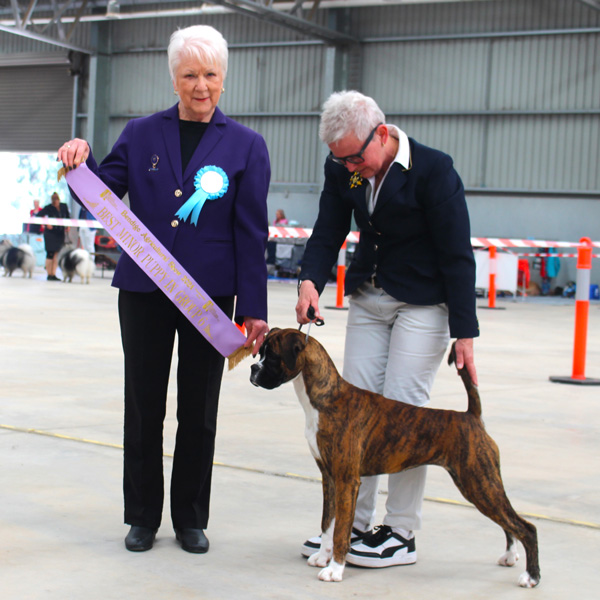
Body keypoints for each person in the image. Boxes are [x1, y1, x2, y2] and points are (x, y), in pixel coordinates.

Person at [57, 25, 270, 554]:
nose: (201, 86)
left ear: (224, 78)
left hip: (211, 299)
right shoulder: (140, 132)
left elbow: (251, 231)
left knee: (199, 410)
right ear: (173, 78)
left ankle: (191, 518)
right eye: (190, 75)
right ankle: (142, 516)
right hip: (144, 292)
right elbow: (100, 194)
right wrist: (78, 156)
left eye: (211, 74)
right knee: (143, 404)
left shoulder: (247, 145)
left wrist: (255, 308)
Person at [295, 91, 479, 568]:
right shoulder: (344, 166)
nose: (350, 166)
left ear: (382, 132)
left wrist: (465, 332)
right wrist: (310, 280)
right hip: (369, 299)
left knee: (405, 414)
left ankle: (400, 532)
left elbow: (458, 253)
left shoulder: (434, 171)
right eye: (340, 160)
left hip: (423, 304)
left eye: (356, 156)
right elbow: (327, 228)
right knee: (350, 412)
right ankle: (351, 525)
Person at [38, 192, 70, 280]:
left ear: (59, 200)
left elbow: (68, 217)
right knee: (50, 253)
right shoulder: (48, 208)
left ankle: (53, 274)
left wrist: (68, 225)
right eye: (54, 200)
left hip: (60, 233)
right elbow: (38, 215)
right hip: (50, 234)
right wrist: (46, 222)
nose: (55, 202)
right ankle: (49, 274)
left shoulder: (64, 206)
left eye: (56, 200)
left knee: (56, 253)